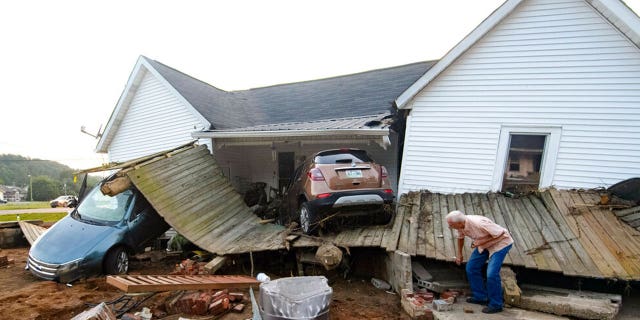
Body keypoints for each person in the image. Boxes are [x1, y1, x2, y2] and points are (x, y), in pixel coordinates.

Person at [446, 210, 513, 314]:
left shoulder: (479, 223)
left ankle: (496, 304)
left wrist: (479, 242)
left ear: (459, 223)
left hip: (501, 243)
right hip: (484, 244)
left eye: (451, 225)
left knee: (491, 274)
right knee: (471, 268)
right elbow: (460, 238)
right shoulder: (460, 225)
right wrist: (459, 254)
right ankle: (481, 297)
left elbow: (500, 234)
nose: (449, 227)